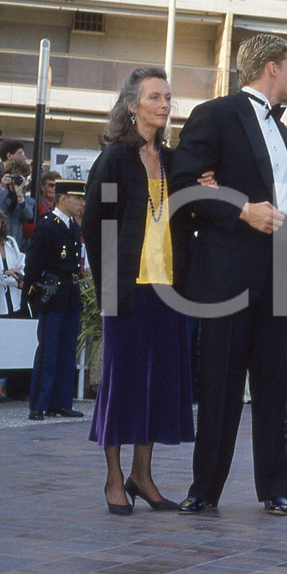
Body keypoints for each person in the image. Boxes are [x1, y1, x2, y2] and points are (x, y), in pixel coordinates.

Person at [170, 33, 287, 517]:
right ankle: (205, 488)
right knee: (220, 385)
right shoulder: (215, 114)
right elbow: (182, 186)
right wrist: (242, 209)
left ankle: (275, 487)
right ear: (271, 67)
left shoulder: (283, 130)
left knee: (273, 385)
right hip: (226, 274)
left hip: (279, 273)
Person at [83, 67, 197, 516]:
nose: (165, 105)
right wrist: (109, 289)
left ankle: (142, 475)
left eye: (168, 97)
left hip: (168, 288)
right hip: (125, 290)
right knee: (122, 384)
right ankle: (114, 478)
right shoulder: (115, 159)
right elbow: (98, 228)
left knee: (157, 384)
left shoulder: (172, 160)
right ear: (132, 106)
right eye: (155, 97)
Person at [23, 179, 86, 422]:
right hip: (53, 293)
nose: (81, 203)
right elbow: (33, 263)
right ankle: (39, 404)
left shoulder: (72, 226)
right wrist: (32, 293)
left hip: (69, 294)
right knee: (48, 350)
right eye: (77, 198)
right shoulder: (48, 225)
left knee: (67, 349)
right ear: (63, 199)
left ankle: (60, 402)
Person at [0, 206, 29, 318]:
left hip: (15, 299)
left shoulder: (10, 241)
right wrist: (5, 274)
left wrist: (19, 276)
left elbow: (20, 263)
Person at [0, 158, 37, 249]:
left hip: (15, 244)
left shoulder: (28, 200)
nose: (15, 180)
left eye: (20, 177)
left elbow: (28, 215)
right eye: (14, 176)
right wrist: (3, 187)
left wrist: (19, 193)